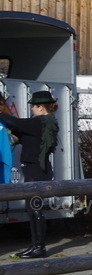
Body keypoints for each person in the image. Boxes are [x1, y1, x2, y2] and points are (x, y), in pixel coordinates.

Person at [0, 90, 59, 258]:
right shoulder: (47, 123)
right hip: (37, 169)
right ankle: (35, 246)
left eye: (34, 106)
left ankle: (39, 248)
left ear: (41, 107)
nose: (32, 108)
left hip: (36, 171)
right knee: (33, 209)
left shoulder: (38, 123)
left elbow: (12, 121)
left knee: (34, 209)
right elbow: (20, 131)